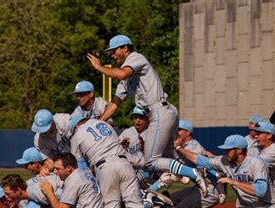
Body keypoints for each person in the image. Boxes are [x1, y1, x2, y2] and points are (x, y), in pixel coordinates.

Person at [87, 35, 208, 194]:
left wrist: (99, 67)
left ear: (125, 48)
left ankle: (194, 173)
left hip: (159, 110)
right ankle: (211, 172)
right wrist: (99, 122)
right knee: (171, 160)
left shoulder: (136, 58)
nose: (112, 54)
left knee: (151, 161)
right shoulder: (125, 81)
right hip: (160, 112)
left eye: (114, 50)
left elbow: (121, 74)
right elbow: (115, 103)